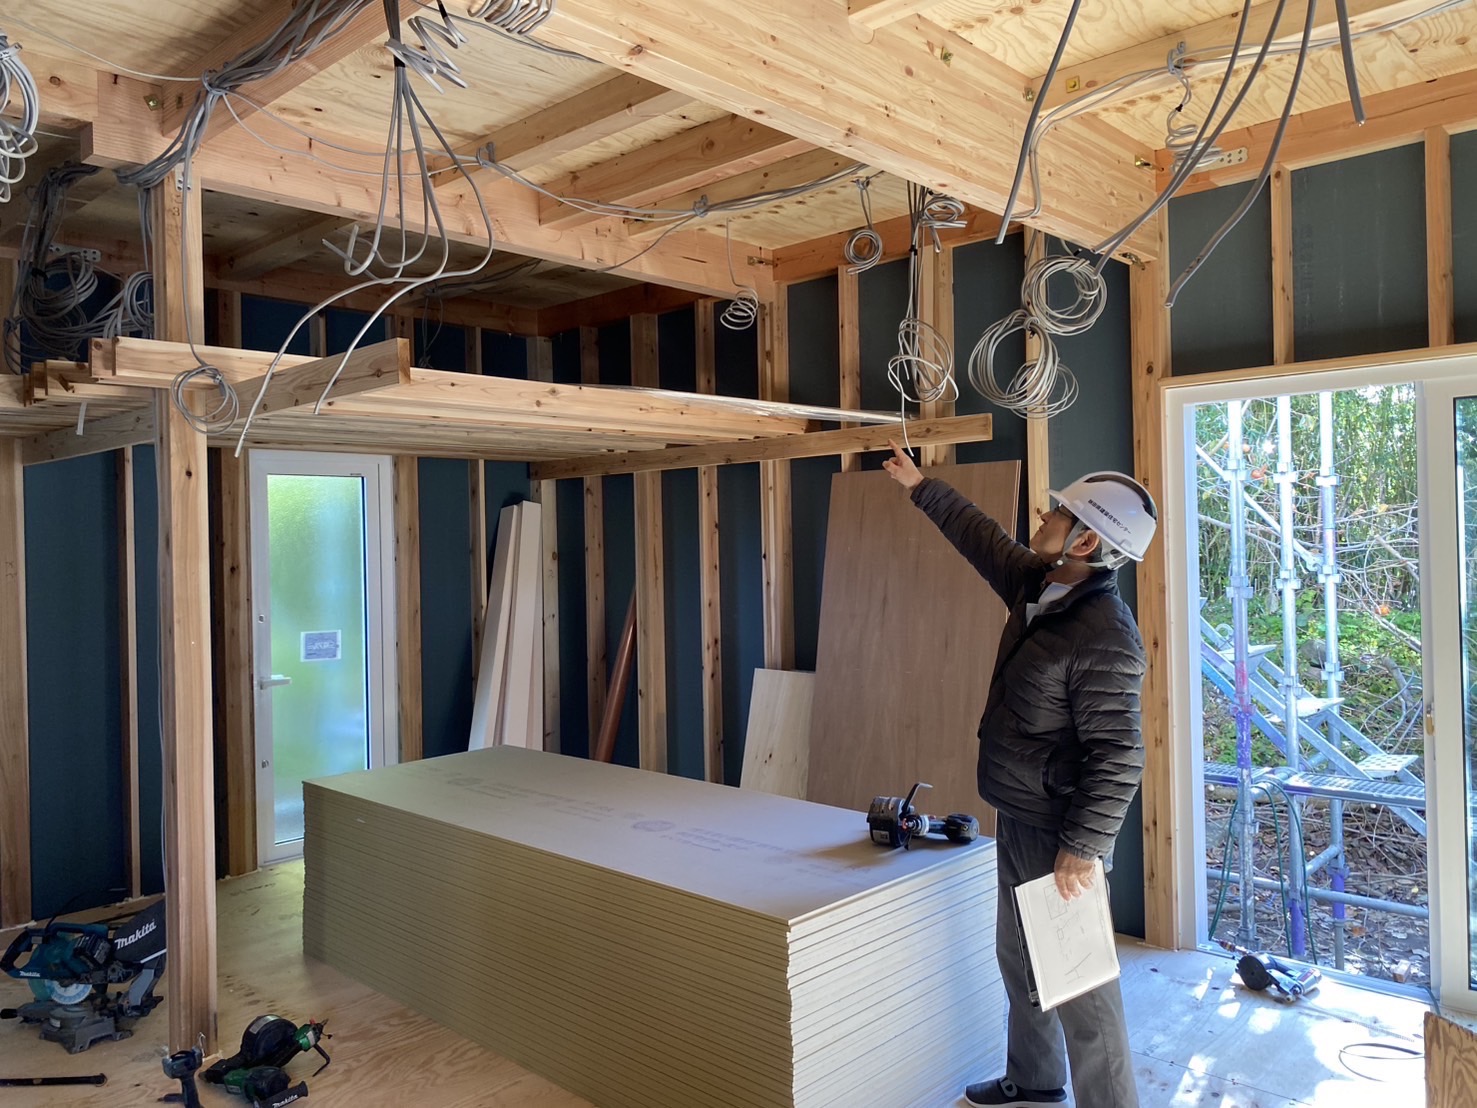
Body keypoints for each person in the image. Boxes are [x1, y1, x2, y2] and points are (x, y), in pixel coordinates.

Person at [881, 441, 1155, 1108]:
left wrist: (1081, 848)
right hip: (1021, 811)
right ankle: (1033, 1079)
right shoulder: (1041, 584)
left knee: (1080, 985)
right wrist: (920, 486)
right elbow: (983, 540)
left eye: (1058, 512)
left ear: (1085, 541)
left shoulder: (1104, 634)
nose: (1043, 515)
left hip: (1060, 831)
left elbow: (1119, 754)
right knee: (1020, 956)